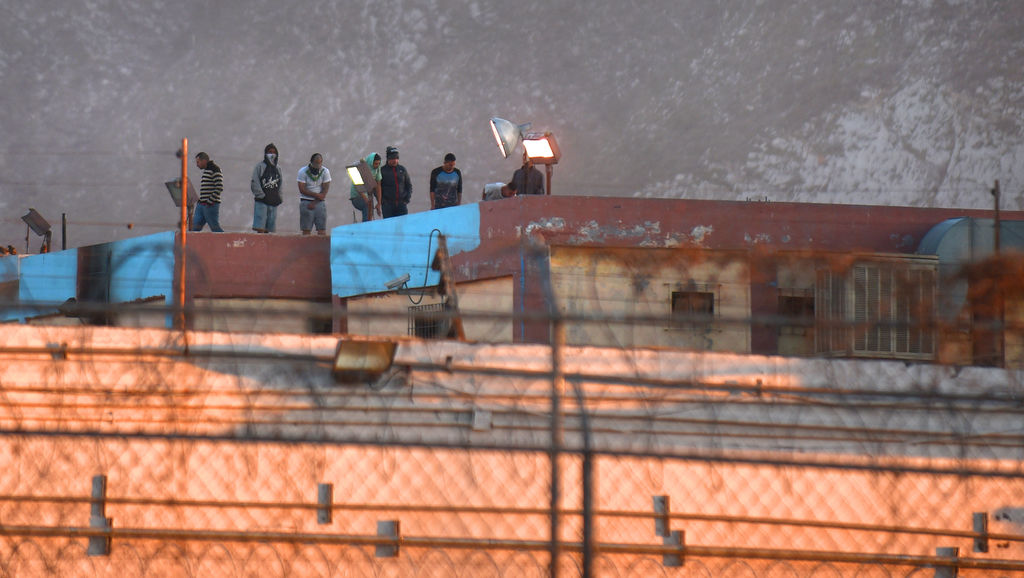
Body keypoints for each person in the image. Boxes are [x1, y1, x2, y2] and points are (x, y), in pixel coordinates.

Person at [250, 143, 283, 233]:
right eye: (269, 152)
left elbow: (280, 184)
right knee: (260, 227)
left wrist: (279, 197)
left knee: (270, 228)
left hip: (273, 201)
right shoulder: (260, 166)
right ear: (265, 153)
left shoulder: (278, 169)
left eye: (274, 152)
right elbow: (255, 182)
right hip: (262, 201)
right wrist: (261, 195)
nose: (272, 154)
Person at [297, 153, 331, 235]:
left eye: (320, 163)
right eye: (316, 163)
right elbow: (302, 189)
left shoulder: (325, 171)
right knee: (306, 230)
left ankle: (321, 244)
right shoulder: (303, 171)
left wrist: (314, 202)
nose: (317, 166)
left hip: (319, 202)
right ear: (311, 162)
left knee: (322, 229)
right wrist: (316, 195)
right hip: (306, 201)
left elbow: (324, 191)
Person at [192, 152, 224, 232]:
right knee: (195, 228)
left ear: (204, 161)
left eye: (198, 162)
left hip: (210, 205)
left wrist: (210, 201)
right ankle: (192, 240)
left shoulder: (215, 169)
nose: (197, 165)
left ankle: (224, 239)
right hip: (202, 204)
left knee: (215, 227)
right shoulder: (207, 170)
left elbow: (219, 187)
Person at [379, 146, 412, 218]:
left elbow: (408, 185)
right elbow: (378, 188)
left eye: (396, 158)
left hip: (401, 204)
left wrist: (407, 199)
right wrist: (382, 201)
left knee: (403, 223)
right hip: (388, 205)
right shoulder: (382, 171)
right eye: (392, 158)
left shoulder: (402, 169)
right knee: (389, 224)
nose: (395, 160)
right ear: (388, 159)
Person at [350, 152, 382, 222]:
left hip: (368, 194)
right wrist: (366, 200)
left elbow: (378, 186)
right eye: (375, 164)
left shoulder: (377, 169)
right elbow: (358, 185)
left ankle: (368, 225)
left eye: (378, 163)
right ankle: (365, 226)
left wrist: (379, 203)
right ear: (371, 162)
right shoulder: (361, 167)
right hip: (357, 195)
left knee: (370, 212)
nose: (377, 165)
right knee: (367, 208)